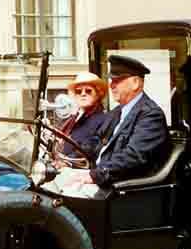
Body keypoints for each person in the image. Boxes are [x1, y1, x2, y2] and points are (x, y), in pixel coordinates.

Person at [56, 55, 170, 196]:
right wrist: (70, 162)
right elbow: (95, 142)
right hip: (104, 177)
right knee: (53, 182)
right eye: (111, 80)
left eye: (118, 80)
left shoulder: (150, 115)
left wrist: (94, 176)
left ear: (135, 83)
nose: (111, 85)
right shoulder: (117, 112)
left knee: (64, 196)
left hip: (125, 188)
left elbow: (133, 157)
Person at [55, 72, 108, 162]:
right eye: (78, 91)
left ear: (98, 94)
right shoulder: (75, 119)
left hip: (79, 171)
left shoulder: (103, 119)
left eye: (88, 91)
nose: (83, 94)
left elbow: (89, 149)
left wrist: (65, 162)